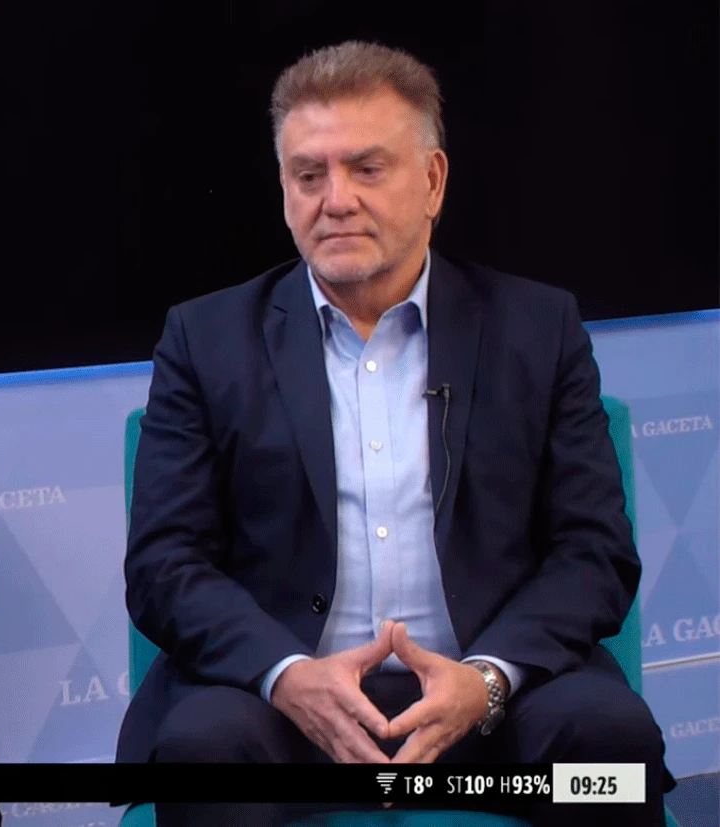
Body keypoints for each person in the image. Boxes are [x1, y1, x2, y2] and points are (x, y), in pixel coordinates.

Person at [116, 41, 674, 827]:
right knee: (202, 747)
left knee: (608, 746)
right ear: (284, 189)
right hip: (286, 711)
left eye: (367, 169)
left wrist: (486, 679)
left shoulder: (537, 328)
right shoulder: (205, 340)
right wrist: (287, 674)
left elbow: (594, 554)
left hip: (493, 708)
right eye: (309, 175)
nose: (335, 200)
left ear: (433, 180)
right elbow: (165, 565)